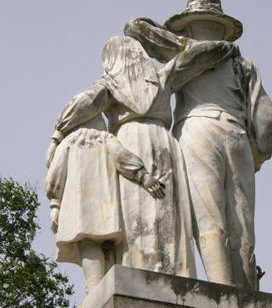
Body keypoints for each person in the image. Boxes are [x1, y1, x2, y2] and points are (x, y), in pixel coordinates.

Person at [46, 34, 235, 278]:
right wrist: (223, 47)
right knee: (168, 212)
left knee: (134, 215)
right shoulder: (162, 76)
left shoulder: (109, 85)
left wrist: (57, 134)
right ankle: (175, 272)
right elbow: (195, 58)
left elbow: (81, 105)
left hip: (130, 140)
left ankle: (138, 272)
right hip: (163, 141)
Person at [124, 0, 272, 289]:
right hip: (238, 135)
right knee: (242, 227)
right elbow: (267, 119)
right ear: (223, 28)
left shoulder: (185, 48)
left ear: (190, 27)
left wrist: (175, 42)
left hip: (197, 128)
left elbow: (135, 28)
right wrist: (257, 156)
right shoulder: (245, 66)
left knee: (208, 218)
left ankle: (221, 292)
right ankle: (247, 295)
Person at [46, 115, 164, 294]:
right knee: (104, 246)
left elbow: (54, 176)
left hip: (77, 208)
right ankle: (100, 289)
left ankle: (94, 289)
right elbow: (124, 159)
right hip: (106, 207)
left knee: (87, 244)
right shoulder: (107, 140)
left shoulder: (68, 143)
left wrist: (55, 205)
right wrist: (143, 176)